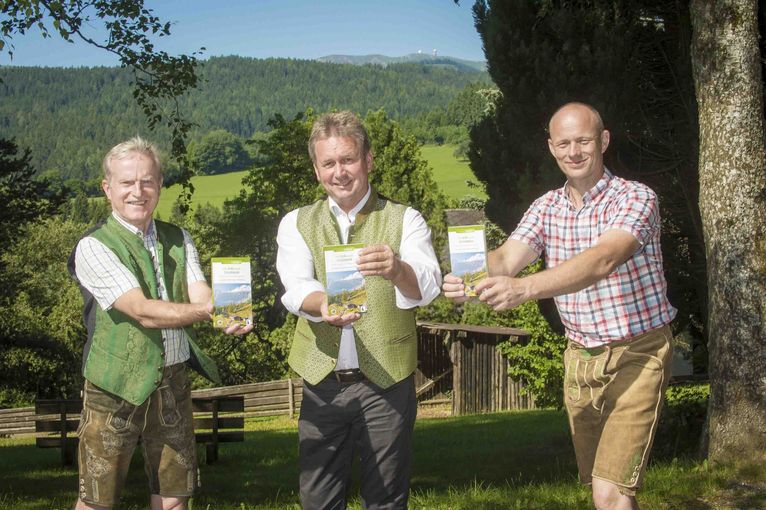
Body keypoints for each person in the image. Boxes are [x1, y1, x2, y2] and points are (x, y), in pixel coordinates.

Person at [443, 102, 676, 510]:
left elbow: (602, 259)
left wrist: (526, 289)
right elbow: (506, 258)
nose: (574, 152)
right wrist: (468, 275)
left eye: (583, 140)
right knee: (604, 486)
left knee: (611, 492)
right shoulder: (546, 207)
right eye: (564, 143)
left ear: (603, 140)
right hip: (580, 361)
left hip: (638, 354)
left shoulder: (636, 198)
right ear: (551, 148)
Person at [68, 137, 252, 510]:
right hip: (113, 385)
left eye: (147, 181)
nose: (138, 191)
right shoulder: (93, 246)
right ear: (108, 188)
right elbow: (141, 310)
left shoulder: (179, 238)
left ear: (160, 184)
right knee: (97, 501)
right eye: (127, 183)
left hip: (173, 381)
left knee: (173, 497)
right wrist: (209, 312)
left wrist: (229, 311)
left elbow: (200, 293)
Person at [276, 111, 441, 509]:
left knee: (386, 498)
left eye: (348, 160)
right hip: (321, 383)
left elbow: (429, 286)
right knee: (318, 500)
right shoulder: (296, 223)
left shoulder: (406, 220)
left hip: (387, 382)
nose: (340, 172)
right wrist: (324, 305)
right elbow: (296, 286)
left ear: (368, 160)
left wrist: (398, 269)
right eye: (328, 163)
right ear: (316, 171)